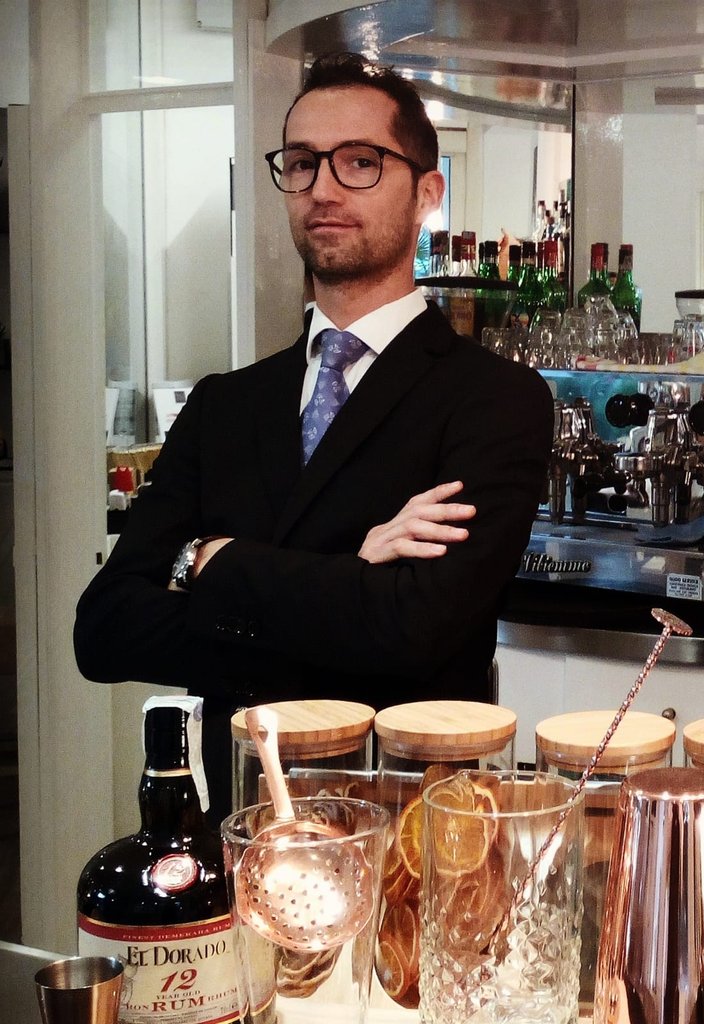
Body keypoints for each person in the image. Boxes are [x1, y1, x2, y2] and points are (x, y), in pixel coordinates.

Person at [74, 53, 554, 821]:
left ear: (428, 191)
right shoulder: (225, 403)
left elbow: (417, 632)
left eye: (360, 162)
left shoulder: (495, 400)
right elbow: (103, 631)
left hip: (408, 835)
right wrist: (349, 574)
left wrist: (212, 563)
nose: (323, 188)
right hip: (234, 827)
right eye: (302, 164)